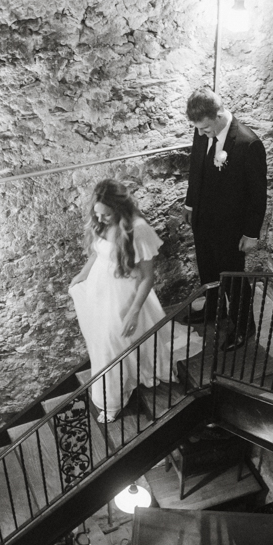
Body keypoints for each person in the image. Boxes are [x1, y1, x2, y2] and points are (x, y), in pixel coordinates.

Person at [69, 179, 192, 422]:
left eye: (106, 214)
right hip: (99, 289)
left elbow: (147, 277)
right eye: (98, 214)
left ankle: (112, 401)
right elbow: (97, 251)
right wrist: (82, 276)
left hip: (124, 295)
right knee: (102, 342)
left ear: (119, 208)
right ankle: (124, 379)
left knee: (112, 344)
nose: (101, 219)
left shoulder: (138, 228)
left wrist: (134, 311)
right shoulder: (101, 221)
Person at [183, 87, 267, 350]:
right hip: (203, 221)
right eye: (197, 129)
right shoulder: (201, 132)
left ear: (219, 115)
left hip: (230, 228)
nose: (200, 134)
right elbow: (196, 170)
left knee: (233, 280)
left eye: (206, 129)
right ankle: (213, 309)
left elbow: (257, 194)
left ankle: (244, 326)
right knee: (207, 271)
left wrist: (251, 233)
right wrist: (189, 204)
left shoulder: (247, 144)